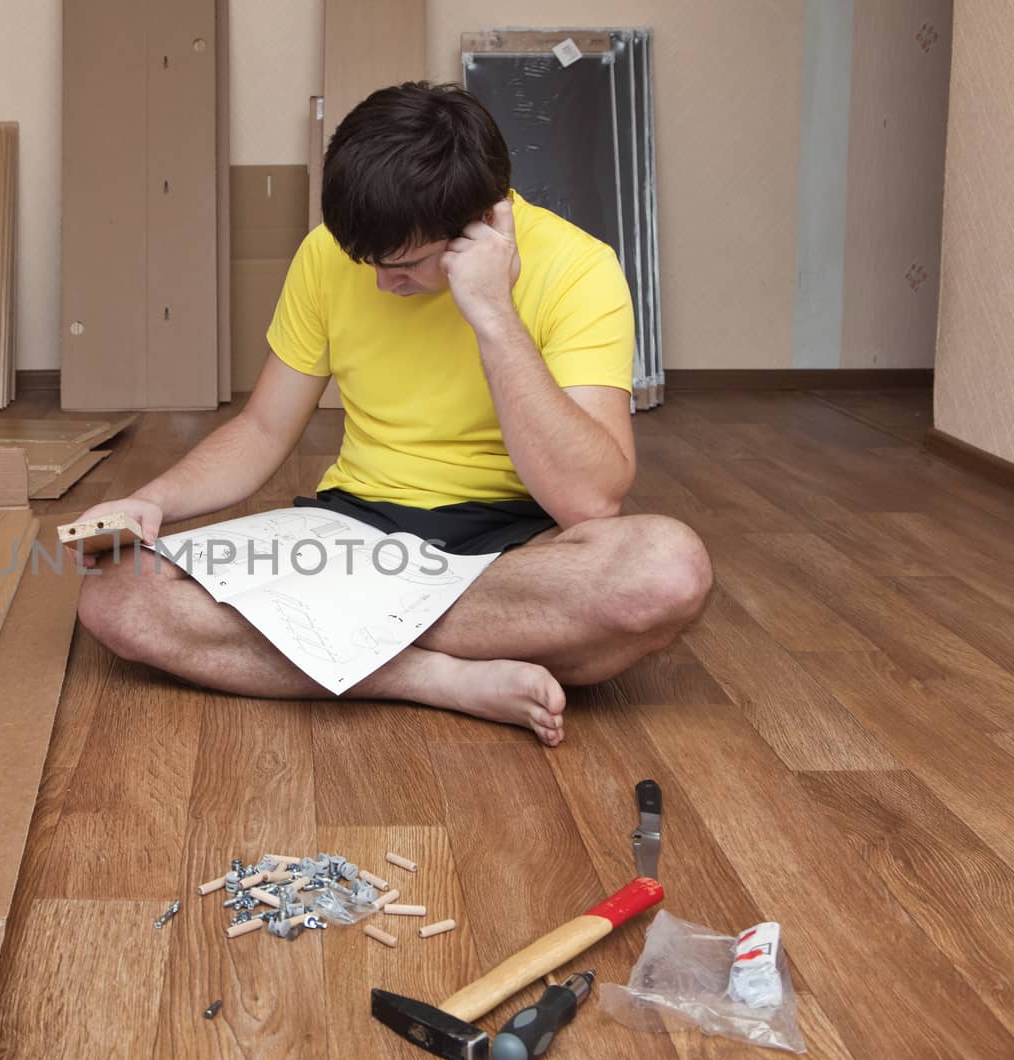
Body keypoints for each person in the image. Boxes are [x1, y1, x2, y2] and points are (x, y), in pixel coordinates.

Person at [70, 81, 711, 746]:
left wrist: (492, 311)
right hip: (357, 534)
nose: (381, 283)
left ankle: (329, 638)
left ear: (486, 226)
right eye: (366, 261)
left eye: (404, 265)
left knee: (666, 570)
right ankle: (427, 677)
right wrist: (151, 501)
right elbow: (262, 429)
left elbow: (589, 502)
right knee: (119, 597)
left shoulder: (578, 268)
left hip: (515, 548)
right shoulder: (323, 255)